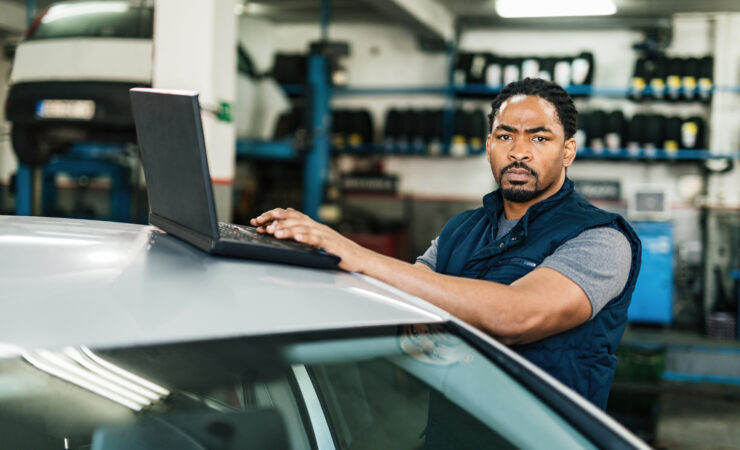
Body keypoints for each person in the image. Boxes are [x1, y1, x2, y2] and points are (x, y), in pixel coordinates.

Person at [251, 78, 642, 410]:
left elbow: (515, 317)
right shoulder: (460, 229)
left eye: (539, 138)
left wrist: (353, 254)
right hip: (454, 429)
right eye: (505, 136)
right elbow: (409, 305)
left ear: (568, 151)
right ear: (489, 144)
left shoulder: (600, 238)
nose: (519, 151)